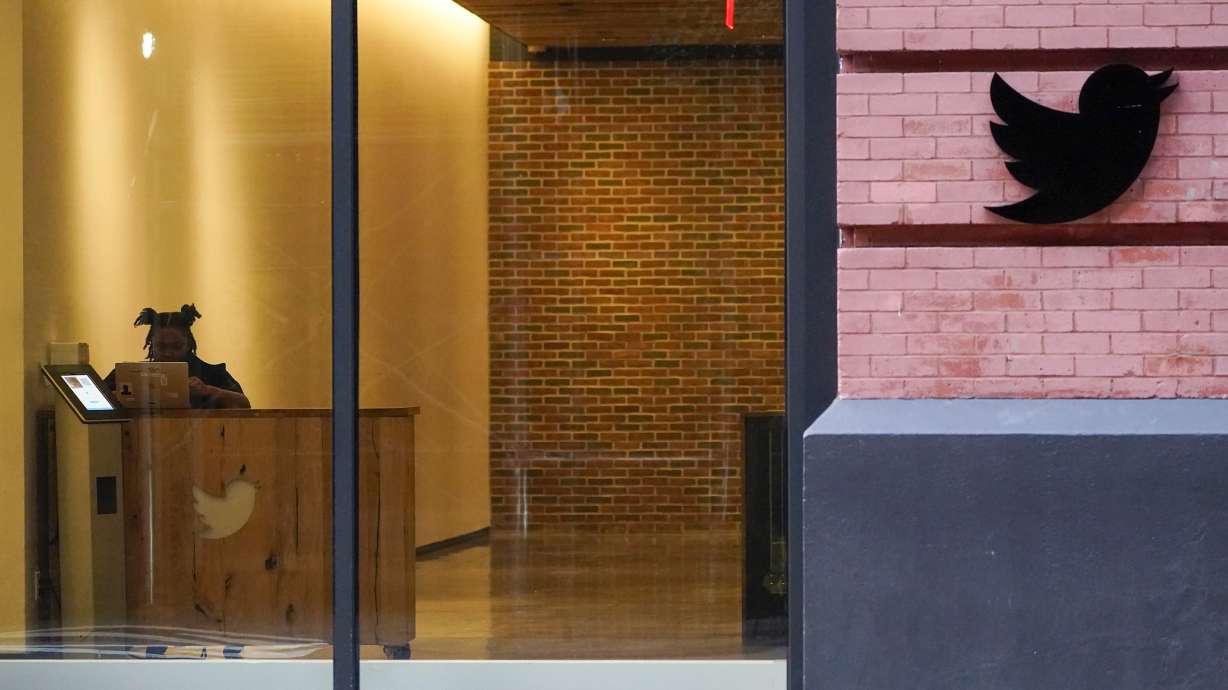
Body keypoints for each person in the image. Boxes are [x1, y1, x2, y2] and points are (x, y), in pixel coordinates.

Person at [104, 304, 251, 409]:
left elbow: (244, 405)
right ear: (151, 344)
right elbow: (95, 401)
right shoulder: (127, 374)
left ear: (188, 344)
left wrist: (208, 390)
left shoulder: (211, 373)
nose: (168, 353)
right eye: (161, 346)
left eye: (176, 346)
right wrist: (118, 397)